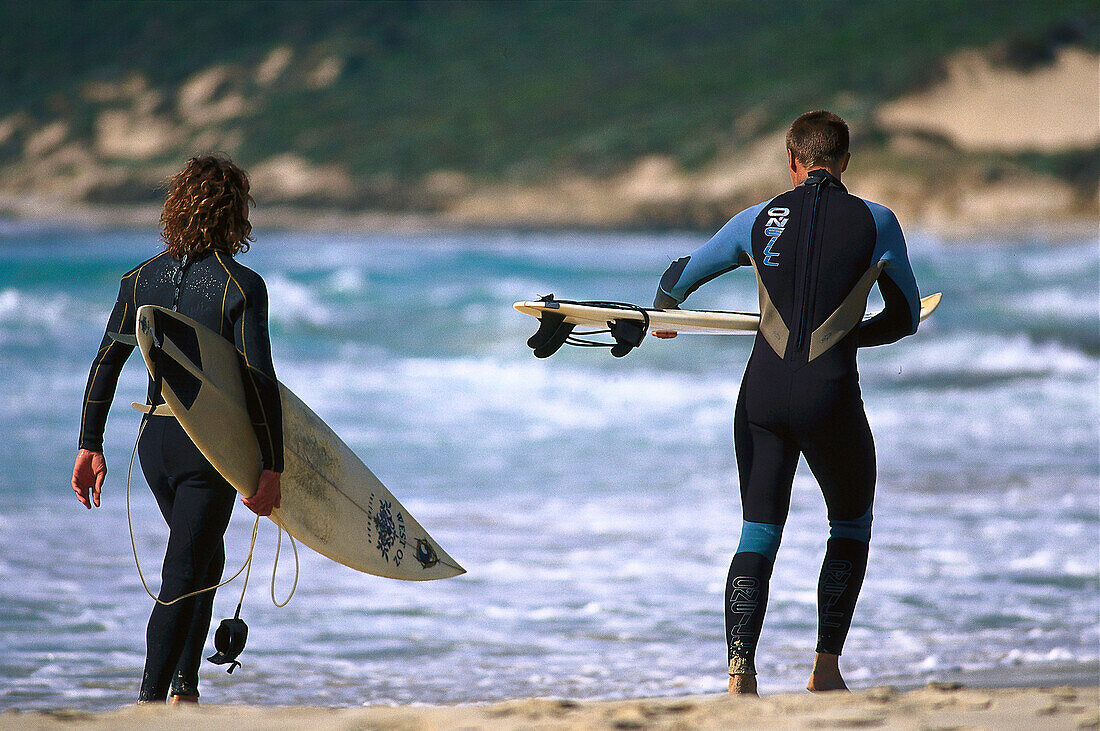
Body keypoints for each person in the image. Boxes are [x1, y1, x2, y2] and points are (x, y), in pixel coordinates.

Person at [652, 111, 920, 695]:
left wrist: (663, 312)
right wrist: (850, 333)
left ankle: (740, 673)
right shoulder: (878, 222)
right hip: (831, 397)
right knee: (849, 526)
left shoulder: (756, 220)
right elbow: (904, 318)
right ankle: (825, 670)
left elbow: (680, 276)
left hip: (763, 397)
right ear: (844, 162)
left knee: (757, 532)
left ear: (792, 162)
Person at [71, 154, 284, 705]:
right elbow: (259, 380)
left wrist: (89, 444)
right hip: (207, 453)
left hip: (155, 445)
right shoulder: (241, 285)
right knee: (185, 570)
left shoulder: (140, 278)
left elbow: (106, 362)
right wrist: (272, 465)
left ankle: (186, 692)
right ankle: (148, 703)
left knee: (204, 556)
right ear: (235, 213)